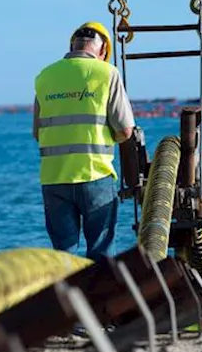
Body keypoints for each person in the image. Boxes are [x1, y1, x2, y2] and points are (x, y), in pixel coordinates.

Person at [32, 21, 135, 259]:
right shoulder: (107, 73)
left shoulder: (45, 76)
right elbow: (126, 130)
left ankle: (66, 296)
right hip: (94, 175)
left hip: (54, 179)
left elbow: (38, 131)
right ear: (103, 51)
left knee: (63, 256)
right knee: (101, 254)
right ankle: (98, 297)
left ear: (72, 44)